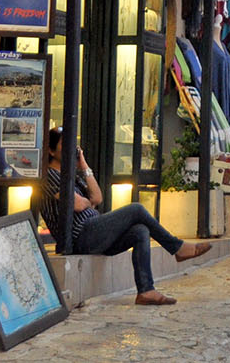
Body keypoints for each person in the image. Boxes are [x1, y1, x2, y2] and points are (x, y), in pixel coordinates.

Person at [42, 127, 210, 305]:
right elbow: (76, 204)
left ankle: (146, 290)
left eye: (72, 143)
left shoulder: (71, 175)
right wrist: (85, 202)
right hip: (79, 236)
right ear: (51, 151)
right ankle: (177, 248)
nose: (71, 147)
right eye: (64, 144)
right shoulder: (49, 175)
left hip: (93, 230)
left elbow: (97, 198)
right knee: (136, 209)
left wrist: (83, 166)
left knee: (140, 231)